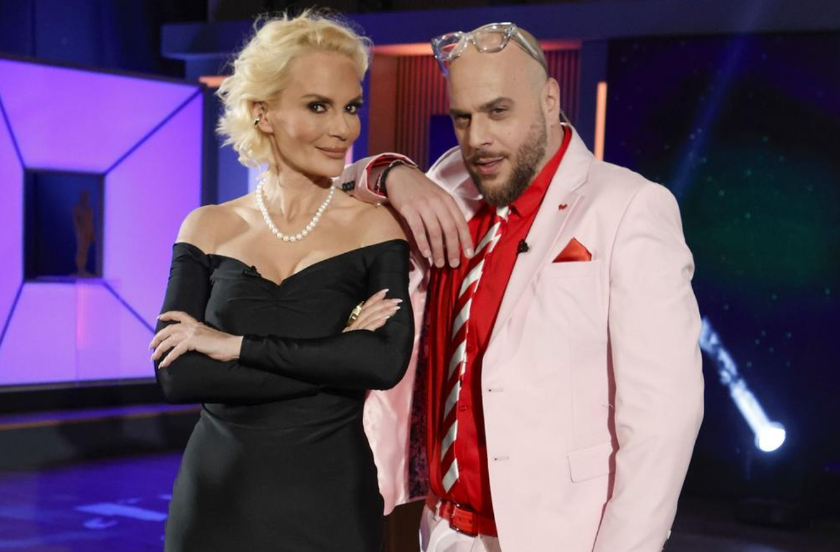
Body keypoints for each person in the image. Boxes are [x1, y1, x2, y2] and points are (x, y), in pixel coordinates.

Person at [340, 21, 704, 552]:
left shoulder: (628, 206)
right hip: (440, 529)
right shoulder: (448, 182)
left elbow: (663, 420)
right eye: (462, 117)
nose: (477, 138)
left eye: (498, 111)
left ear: (550, 100)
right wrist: (392, 173)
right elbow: (332, 194)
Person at [149, 12, 414, 551]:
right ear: (262, 112)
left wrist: (232, 345)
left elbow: (383, 363)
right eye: (318, 106)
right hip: (215, 503)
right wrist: (334, 354)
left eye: (351, 107)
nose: (343, 129)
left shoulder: (375, 227)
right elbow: (179, 376)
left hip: (331, 507)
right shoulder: (208, 226)